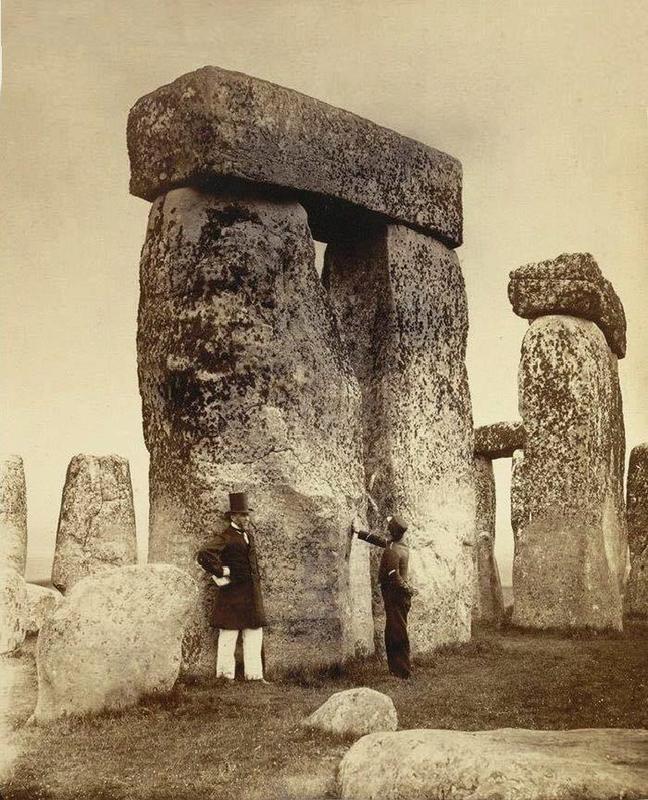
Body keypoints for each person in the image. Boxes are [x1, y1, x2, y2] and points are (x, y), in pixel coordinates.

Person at [196, 492, 267, 682]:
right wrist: (222, 571)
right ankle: (225, 677)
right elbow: (204, 553)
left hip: (250, 594)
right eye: (243, 515)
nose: (247, 518)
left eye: (247, 514)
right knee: (228, 634)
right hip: (233, 594)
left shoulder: (248, 536)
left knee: (254, 633)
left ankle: (254, 676)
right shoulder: (226, 536)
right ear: (233, 516)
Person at [353, 514, 413, 679]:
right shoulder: (398, 545)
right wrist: (359, 532)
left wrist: (408, 589)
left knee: (397, 633)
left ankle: (403, 672)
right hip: (398, 596)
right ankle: (397, 670)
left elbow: (395, 577)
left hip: (396, 596)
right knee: (394, 631)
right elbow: (380, 541)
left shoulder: (393, 551)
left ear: (391, 531)